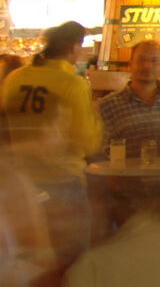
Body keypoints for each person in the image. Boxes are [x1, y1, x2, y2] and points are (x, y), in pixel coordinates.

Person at [0, 21, 102, 262]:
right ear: (75, 49)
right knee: (72, 260)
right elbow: (88, 141)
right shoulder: (72, 84)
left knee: (33, 260)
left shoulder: (16, 77)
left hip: (22, 184)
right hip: (62, 182)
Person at [96, 39, 160, 158]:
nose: (147, 65)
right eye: (141, 60)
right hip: (128, 175)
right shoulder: (109, 105)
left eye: (154, 61)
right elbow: (99, 152)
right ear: (130, 63)